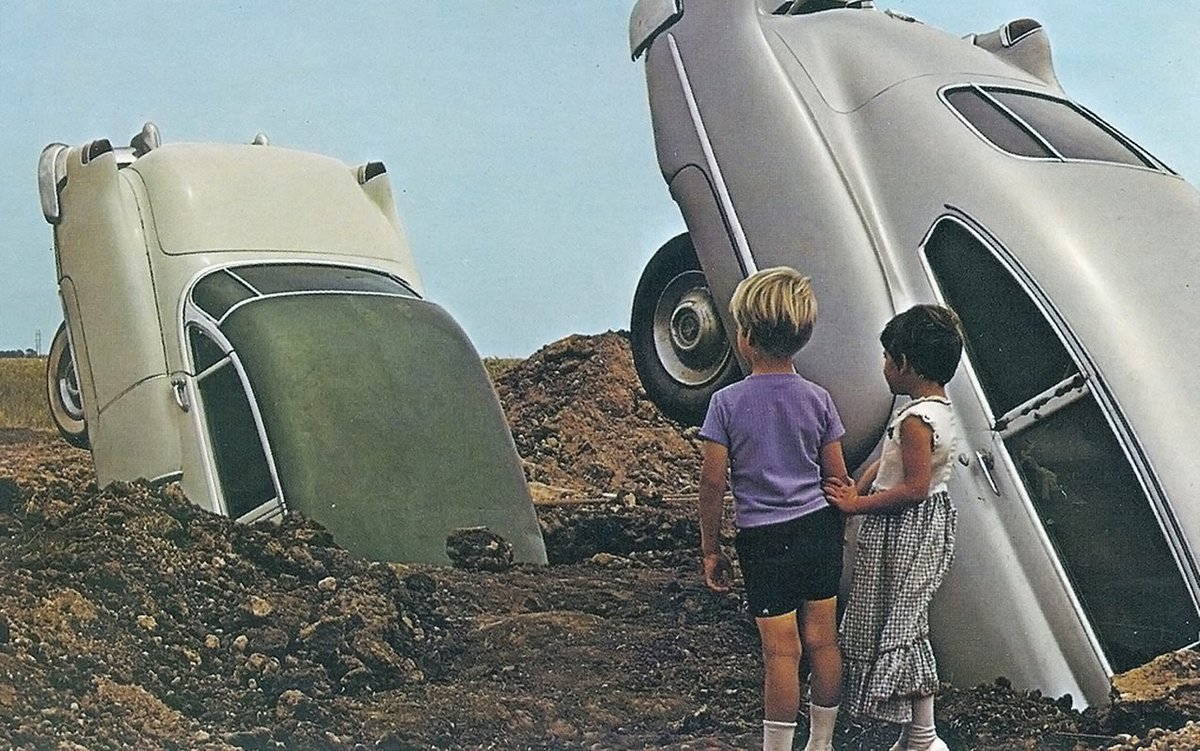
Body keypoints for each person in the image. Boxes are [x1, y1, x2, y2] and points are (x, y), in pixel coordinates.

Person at [698, 266, 849, 751]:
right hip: (817, 529)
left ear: (746, 337)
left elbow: (713, 483)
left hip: (764, 539)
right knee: (823, 641)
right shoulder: (819, 399)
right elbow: (836, 477)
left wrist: (711, 548)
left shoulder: (725, 404)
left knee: (782, 653)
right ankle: (821, 744)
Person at [822, 304, 964, 751]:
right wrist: (858, 484)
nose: (883, 366)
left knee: (903, 628)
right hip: (914, 528)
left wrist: (857, 504)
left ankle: (924, 737)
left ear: (906, 364)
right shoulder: (933, 410)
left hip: (904, 531)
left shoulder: (916, 422)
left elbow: (914, 488)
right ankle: (913, 736)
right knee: (901, 623)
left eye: (887, 357)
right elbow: (888, 462)